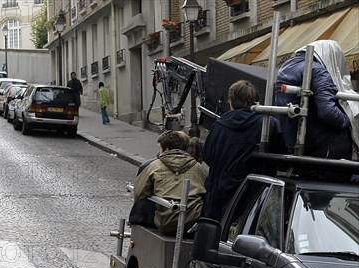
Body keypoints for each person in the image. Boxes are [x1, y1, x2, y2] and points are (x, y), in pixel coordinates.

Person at [202, 80, 282, 221]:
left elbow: (207, 155)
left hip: (219, 197)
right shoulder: (268, 124)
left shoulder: (219, 125)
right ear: (256, 101)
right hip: (254, 199)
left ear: (231, 101)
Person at [276, 40, 356, 159]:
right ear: (331, 56)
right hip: (321, 144)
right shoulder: (318, 71)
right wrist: (349, 121)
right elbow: (328, 112)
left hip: (294, 141)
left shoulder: (285, 69)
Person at [133, 130, 207, 235]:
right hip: (191, 222)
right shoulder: (198, 167)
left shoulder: (154, 166)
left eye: (160, 148)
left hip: (165, 222)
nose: (159, 152)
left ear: (166, 149)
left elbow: (138, 192)